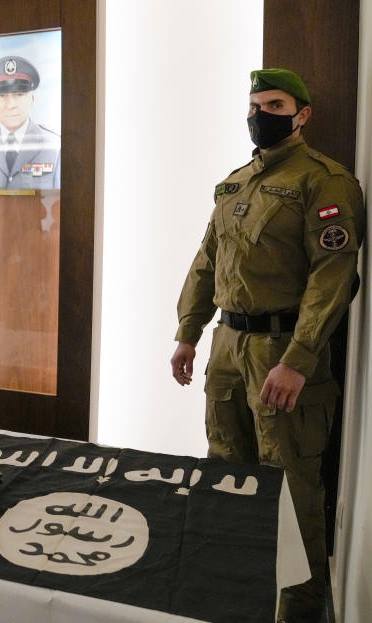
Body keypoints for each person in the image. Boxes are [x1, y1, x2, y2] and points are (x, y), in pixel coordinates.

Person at [171, 69, 365, 623]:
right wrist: (188, 333)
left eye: (274, 104)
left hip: (281, 352)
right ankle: (237, 598)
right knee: (226, 473)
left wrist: (299, 360)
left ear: (302, 114)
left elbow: (333, 277)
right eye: (254, 105)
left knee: (291, 488)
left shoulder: (324, 181)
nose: (261, 114)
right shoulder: (236, 183)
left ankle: (298, 613)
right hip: (227, 348)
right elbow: (207, 261)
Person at [0, 55, 61, 191]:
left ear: (32, 99)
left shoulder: (53, 146)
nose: (11, 105)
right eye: (2, 96)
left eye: (19, 95)